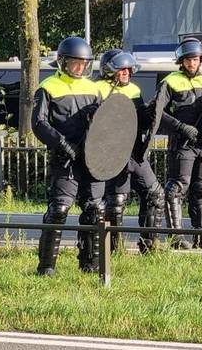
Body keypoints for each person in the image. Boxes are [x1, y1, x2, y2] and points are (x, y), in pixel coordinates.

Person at [33, 36, 106, 275]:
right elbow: (38, 123)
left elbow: (106, 123)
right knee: (59, 210)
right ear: (63, 62)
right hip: (64, 159)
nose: (80, 67)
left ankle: (91, 265)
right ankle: (46, 268)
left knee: (95, 209)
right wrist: (62, 144)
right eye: (76, 62)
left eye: (84, 63)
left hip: (91, 158)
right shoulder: (48, 87)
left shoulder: (94, 89)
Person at [99, 49, 165, 254]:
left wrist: (151, 110)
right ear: (110, 70)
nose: (126, 72)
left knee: (155, 194)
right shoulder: (98, 89)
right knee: (116, 201)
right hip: (113, 152)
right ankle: (112, 250)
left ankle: (149, 245)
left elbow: (139, 120)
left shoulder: (134, 90)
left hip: (135, 152)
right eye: (121, 69)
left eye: (128, 69)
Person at [158, 38, 202, 249]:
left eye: (195, 59)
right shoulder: (170, 82)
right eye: (187, 59)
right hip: (182, 143)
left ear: (201, 59)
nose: (191, 63)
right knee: (177, 187)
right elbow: (158, 113)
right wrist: (181, 127)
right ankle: (176, 236)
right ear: (181, 61)